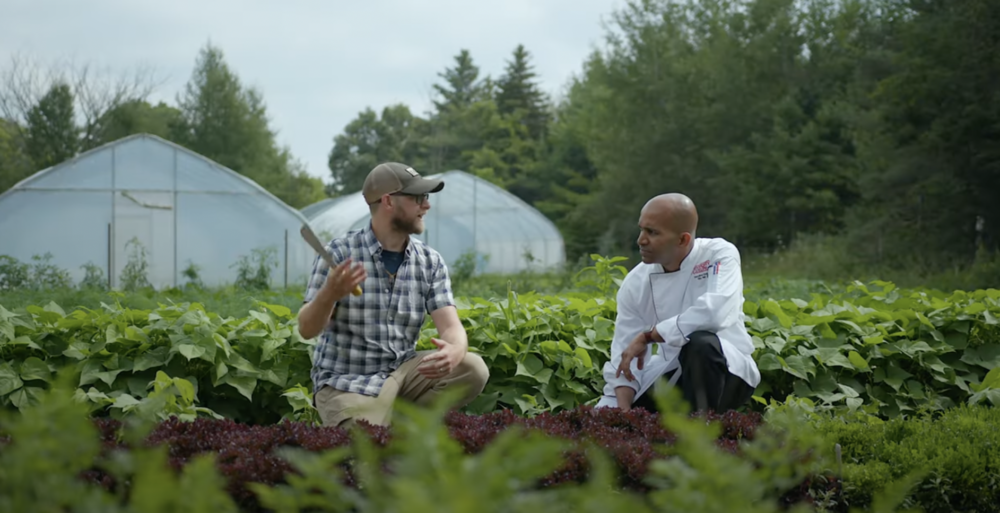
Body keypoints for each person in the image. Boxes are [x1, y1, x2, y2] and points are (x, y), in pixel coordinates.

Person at [297, 162, 490, 428]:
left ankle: (400, 425)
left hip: (403, 371)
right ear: (388, 201)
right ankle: (385, 426)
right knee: (366, 448)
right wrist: (329, 294)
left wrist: (456, 349)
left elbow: (451, 326)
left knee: (472, 369)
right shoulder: (340, 254)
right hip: (349, 381)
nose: (427, 205)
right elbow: (307, 329)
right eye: (419, 198)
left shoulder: (429, 261)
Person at [596, 193, 760, 414]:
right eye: (641, 229)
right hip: (673, 371)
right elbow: (625, 355)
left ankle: (701, 434)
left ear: (683, 240)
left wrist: (650, 335)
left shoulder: (719, 255)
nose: (641, 240)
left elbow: (715, 314)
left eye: (652, 232)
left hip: (728, 370)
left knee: (701, 343)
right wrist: (623, 414)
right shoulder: (636, 282)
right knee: (608, 414)